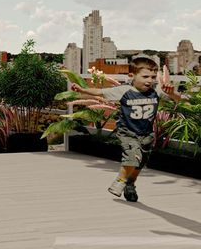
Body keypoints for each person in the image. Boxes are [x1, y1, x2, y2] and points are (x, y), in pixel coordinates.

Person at [72, 56, 183, 202]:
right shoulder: (125, 90)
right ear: (132, 76)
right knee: (132, 156)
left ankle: (130, 184)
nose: (149, 80)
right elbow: (100, 92)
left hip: (147, 135)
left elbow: (179, 99)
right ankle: (120, 180)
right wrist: (82, 89)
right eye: (145, 77)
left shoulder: (156, 91)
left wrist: (172, 93)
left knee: (140, 163)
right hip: (128, 132)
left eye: (152, 77)